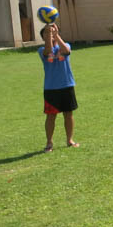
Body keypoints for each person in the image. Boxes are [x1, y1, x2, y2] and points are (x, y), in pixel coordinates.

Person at [38, 22, 79, 152]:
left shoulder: (65, 45)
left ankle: (69, 140)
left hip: (67, 85)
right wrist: (50, 36)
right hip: (51, 88)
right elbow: (48, 51)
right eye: (45, 33)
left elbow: (67, 51)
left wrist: (56, 35)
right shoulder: (41, 50)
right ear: (43, 37)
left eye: (52, 31)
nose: (49, 33)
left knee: (68, 114)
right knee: (51, 116)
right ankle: (49, 143)